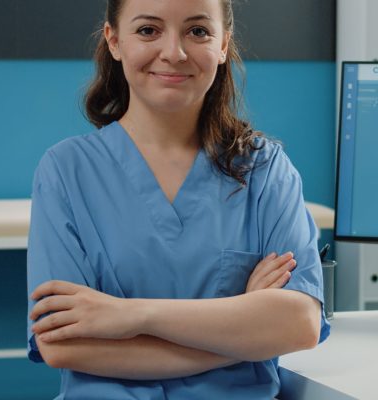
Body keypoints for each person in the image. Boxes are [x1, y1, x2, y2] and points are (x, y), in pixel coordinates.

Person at [27, 0, 330, 399]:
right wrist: (241, 334)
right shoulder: (66, 170)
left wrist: (129, 315)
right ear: (114, 40)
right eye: (148, 30)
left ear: (223, 45)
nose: (174, 53)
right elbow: (62, 343)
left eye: (198, 31)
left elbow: (298, 324)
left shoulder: (265, 170)